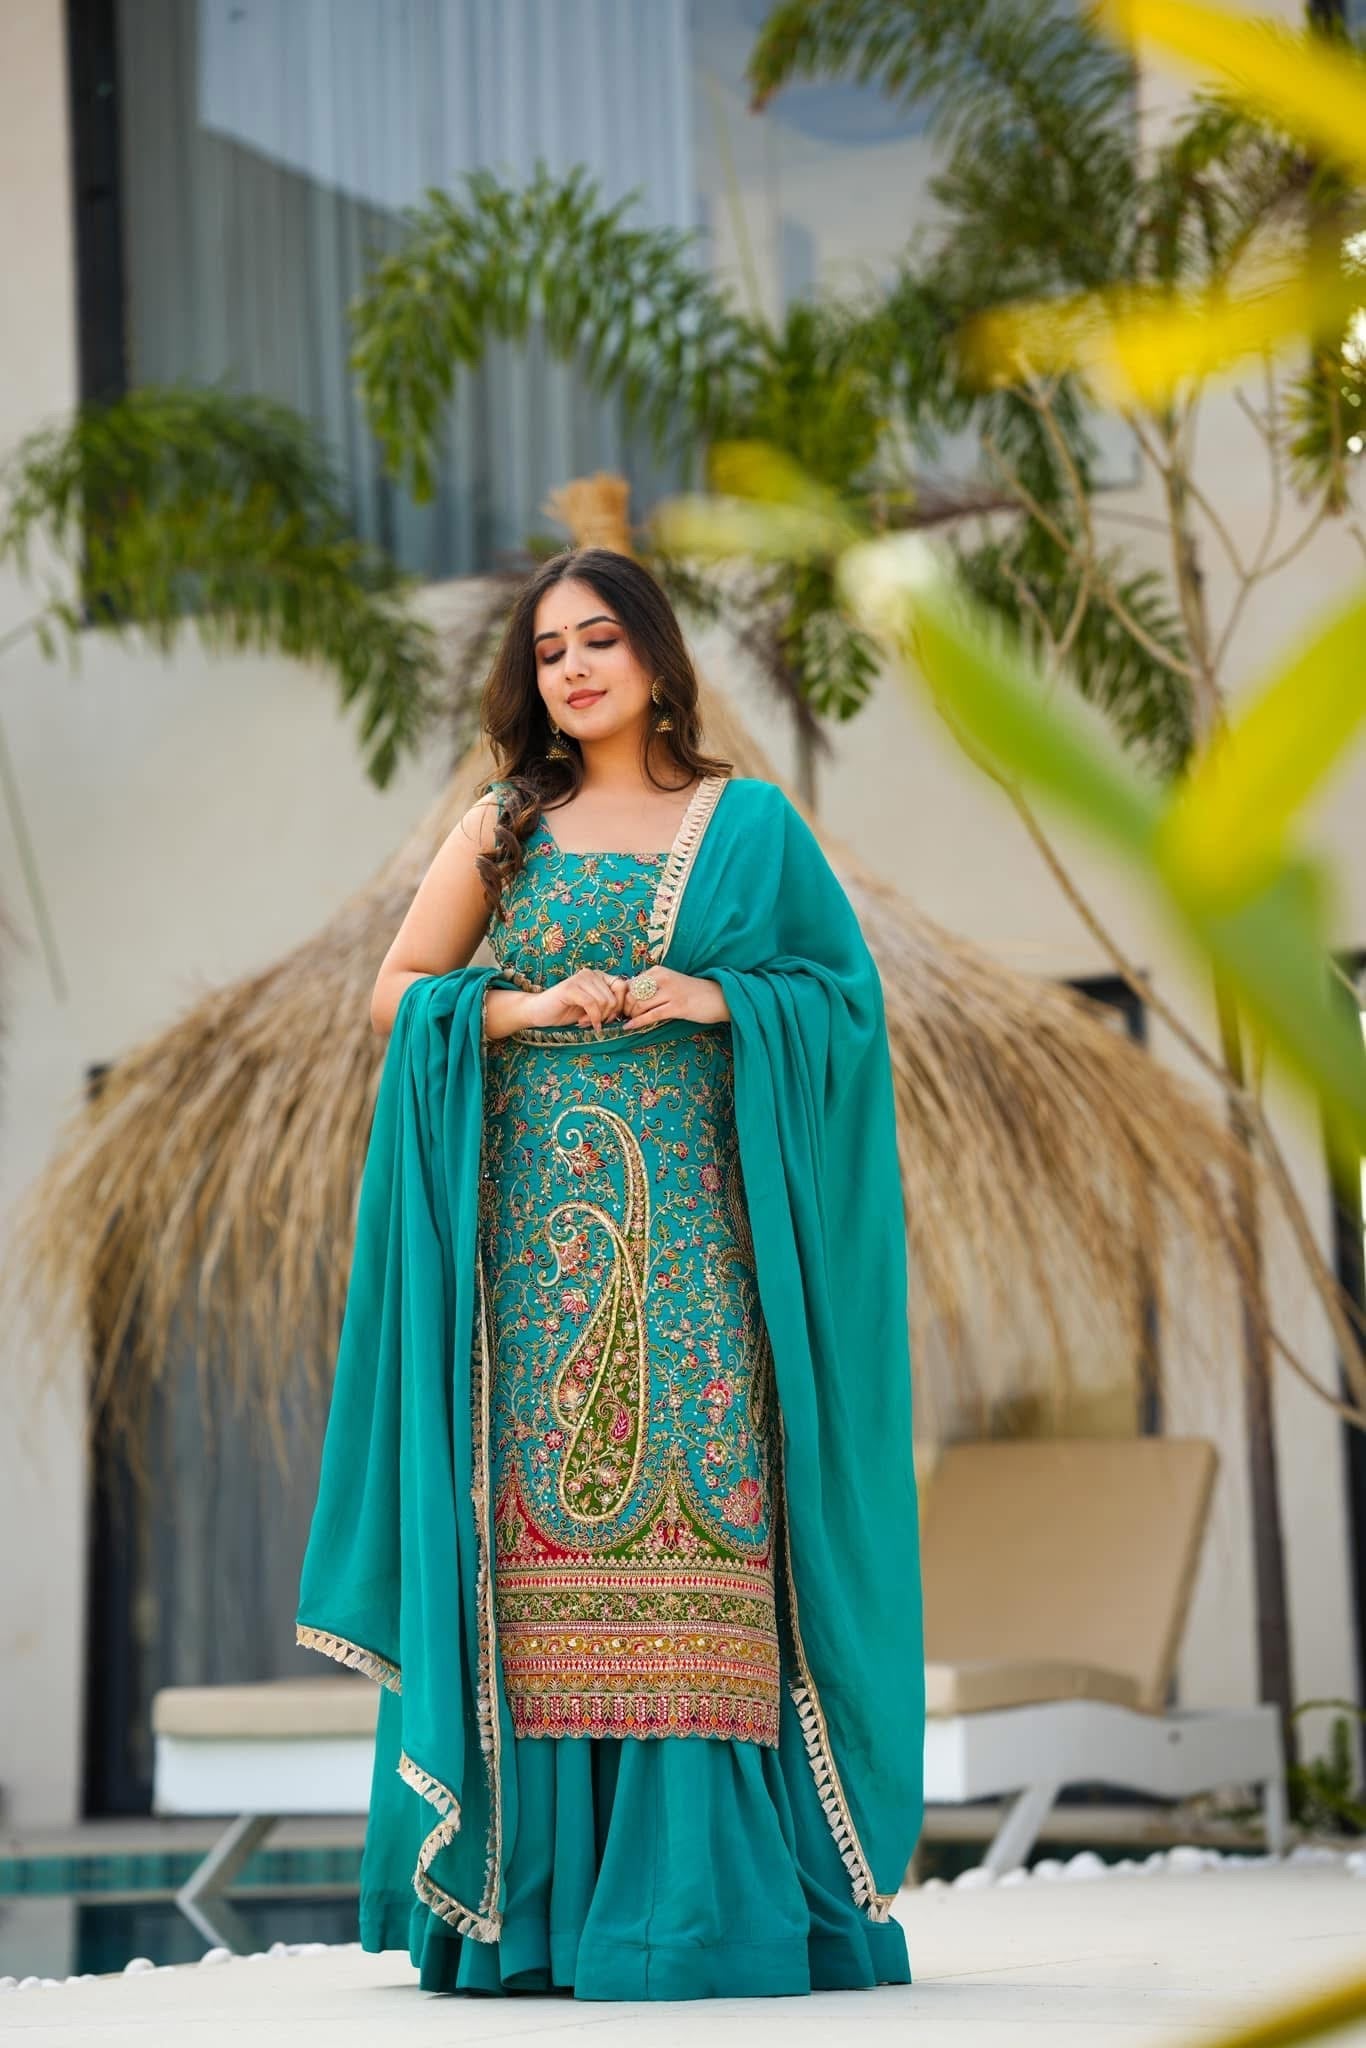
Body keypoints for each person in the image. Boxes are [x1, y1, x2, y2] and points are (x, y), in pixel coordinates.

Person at [295, 548, 925, 2001]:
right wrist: (520, 1009)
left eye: (597, 641)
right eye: (548, 651)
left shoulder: (751, 827)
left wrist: (719, 997)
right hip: (535, 1266)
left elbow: (843, 1006)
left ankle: (697, 1907)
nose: (573, 669)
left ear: (652, 655)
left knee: (705, 1531)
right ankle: (540, 1914)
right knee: (534, 1557)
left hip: (707, 1261)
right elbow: (397, 992)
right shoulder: (504, 824)